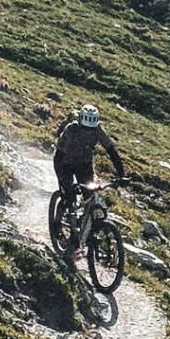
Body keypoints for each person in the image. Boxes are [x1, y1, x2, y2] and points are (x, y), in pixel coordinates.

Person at [52, 105, 125, 251]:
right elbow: (59, 154)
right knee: (69, 196)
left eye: (90, 130)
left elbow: (111, 150)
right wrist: (65, 182)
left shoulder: (98, 130)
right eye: (85, 129)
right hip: (64, 163)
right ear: (80, 123)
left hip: (84, 165)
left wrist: (122, 173)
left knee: (89, 195)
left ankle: (84, 228)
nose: (88, 132)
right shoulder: (71, 129)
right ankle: (57, 224)